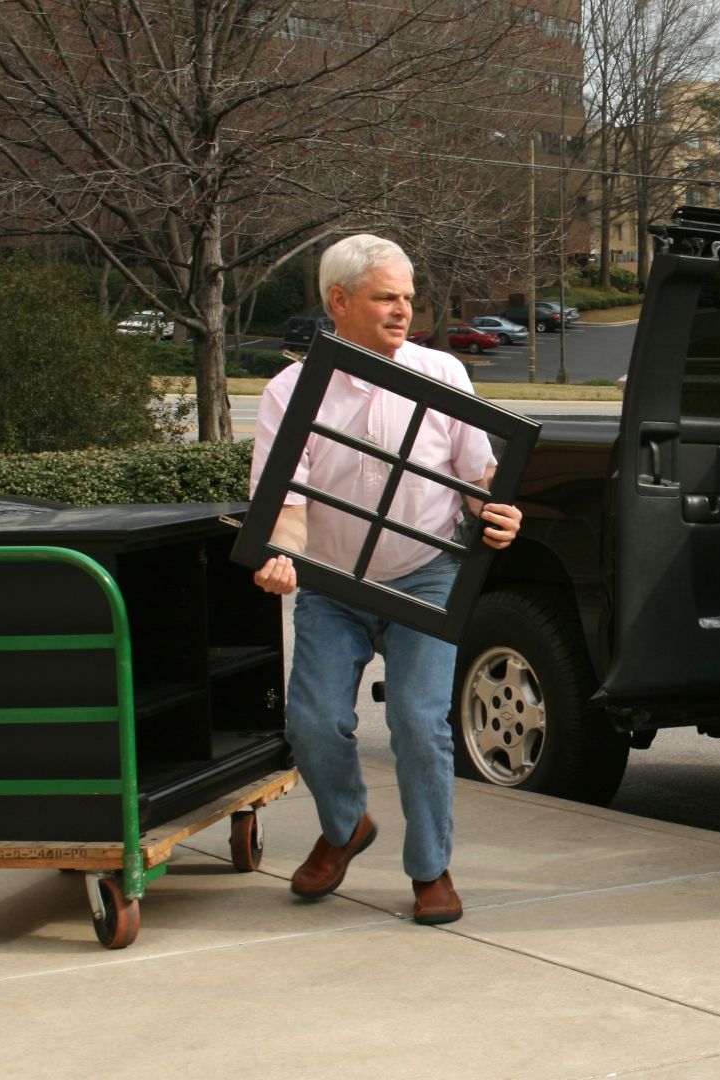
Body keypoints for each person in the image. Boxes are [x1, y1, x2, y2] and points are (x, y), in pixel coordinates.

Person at [248, 233, 522, 925]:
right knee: (311, 724)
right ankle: (346, 826)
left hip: (426, 574)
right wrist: (282, 557)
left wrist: (498, 512)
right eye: (384, 298)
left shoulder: (442, 375)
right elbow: (288, 505)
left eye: (407, 297)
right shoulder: (290, 392)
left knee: (417, 721)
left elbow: (475, 478)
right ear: (339, 301)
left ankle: (430, 869)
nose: (403, 311)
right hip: (333, 583)